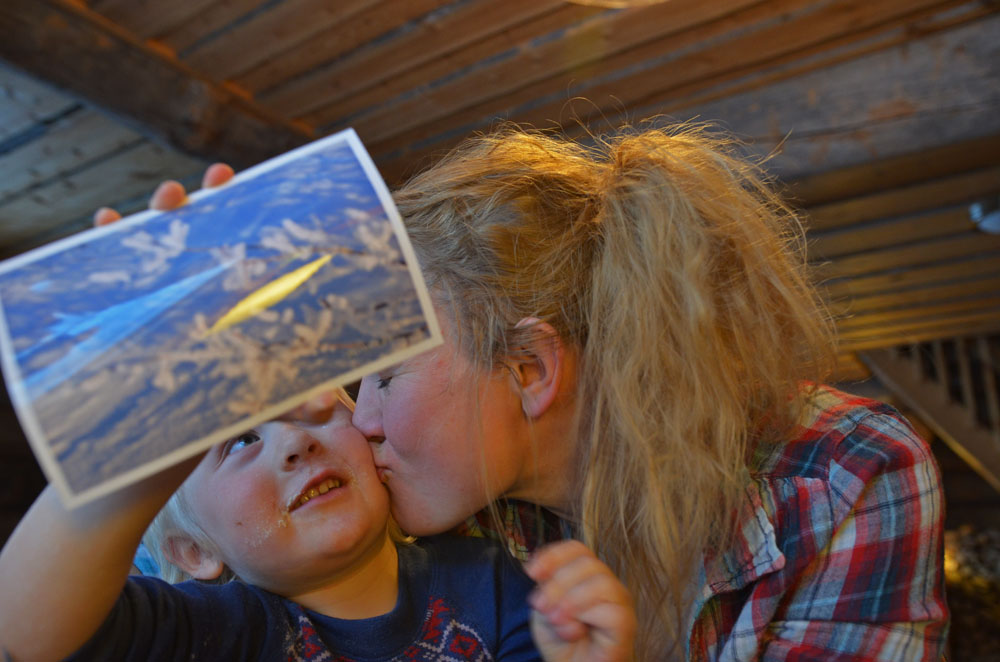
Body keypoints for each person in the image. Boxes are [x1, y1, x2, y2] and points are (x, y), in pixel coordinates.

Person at [92, 122, 949, 660]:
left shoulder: (846, 472)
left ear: (530, 370)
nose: (363, 418)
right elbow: (172, 557)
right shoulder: (423, 499)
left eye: (385, 372)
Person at [0, 388, 635, 661]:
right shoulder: (221, 631)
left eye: (314, 408)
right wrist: (127, 474)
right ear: (193, 551)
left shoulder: (492, 579)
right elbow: (27, 635)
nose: (294, 444)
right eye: (240, 440)